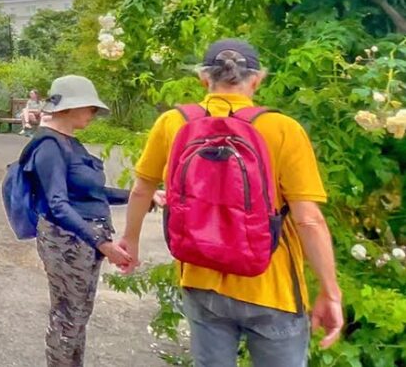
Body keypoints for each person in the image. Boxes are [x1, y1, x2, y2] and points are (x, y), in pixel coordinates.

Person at [117, 39, 343, 366]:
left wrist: (131, 242)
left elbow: (141, 190)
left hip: (200, 276)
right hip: (270, 285)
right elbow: (309, 220)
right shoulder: (282, 129)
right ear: (257, 79)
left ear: (203, 79)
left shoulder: (173, 122)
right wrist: (330, 291)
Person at [24, 75, 153, 367]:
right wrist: (103, 243)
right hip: (66, 241)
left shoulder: (70, 143)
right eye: (90, 108)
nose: (94, 114)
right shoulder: (49, 146)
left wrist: (144, 197)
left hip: (83, 242)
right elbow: (57, 205)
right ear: (70, 108)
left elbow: (95, 192)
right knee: (67, 317)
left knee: (79, 314)